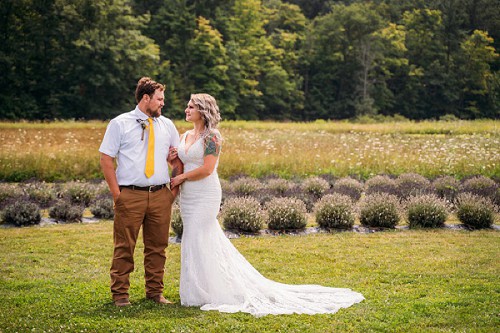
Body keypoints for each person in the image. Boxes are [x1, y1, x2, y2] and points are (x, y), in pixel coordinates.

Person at [169, 93, 364, 316]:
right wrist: (174, 160)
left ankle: (203, 291)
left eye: (191, 106)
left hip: (205, 194)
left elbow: (207, 169)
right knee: (196, 239)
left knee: (197, 236)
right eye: (187, 106)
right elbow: (183, 161)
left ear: (203, 111)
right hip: (188, 197)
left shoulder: (212, 137)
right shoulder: (185, 135)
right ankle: (199, 288)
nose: (187, 109)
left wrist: (182, 178)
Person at [99, 77, 183, 307]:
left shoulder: (167, 125)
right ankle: (120, 295)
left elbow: (177, 160)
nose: (162, 104)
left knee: (158, 248)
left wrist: (171, 193)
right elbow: (106, 159)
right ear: (146, 98)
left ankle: (155, 293)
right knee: (125, 246)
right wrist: (118, 194)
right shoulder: (119, 123)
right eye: (159, 99)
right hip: (130, 195)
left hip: (160, 195)